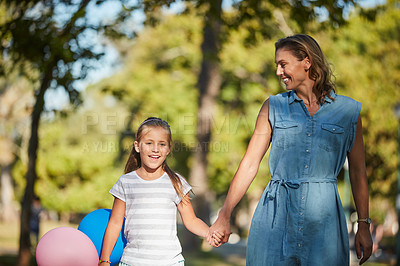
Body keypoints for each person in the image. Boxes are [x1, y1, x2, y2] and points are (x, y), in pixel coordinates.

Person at [209, 34, 373, 265]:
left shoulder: (348, 112)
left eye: (283, 64)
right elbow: (249, 163)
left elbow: (357, 173)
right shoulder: (273, 107)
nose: (278, 72)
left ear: (307, 62)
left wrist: (363, 225)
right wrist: (224, 214)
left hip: (323, 221)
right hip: (275, 218)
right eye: (277, 65)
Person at [99, 117, 223, 266]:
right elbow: (115, 223)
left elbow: (191, 220)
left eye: (162, 144)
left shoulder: (176, 182)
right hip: (133, 261)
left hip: (170, 262)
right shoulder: (126, 182)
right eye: (149, 143)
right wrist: (104, 260)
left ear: (169, 148)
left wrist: (208, 232)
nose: (155, 149)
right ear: (137, 146)